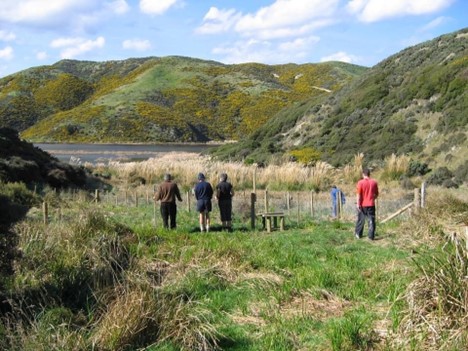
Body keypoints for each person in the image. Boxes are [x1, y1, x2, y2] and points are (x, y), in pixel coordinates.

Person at [354, 168, 379, 240]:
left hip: (362, 204)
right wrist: (373, 199)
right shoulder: (374, 182)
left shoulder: (360, 182)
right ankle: (371, 236)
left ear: (363, 174)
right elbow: (376, 194)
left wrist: (358, 204)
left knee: (361, 219)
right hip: (371, 204)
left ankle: (358, 234)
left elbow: (358, 194)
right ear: (369, 174)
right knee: (371, 219)